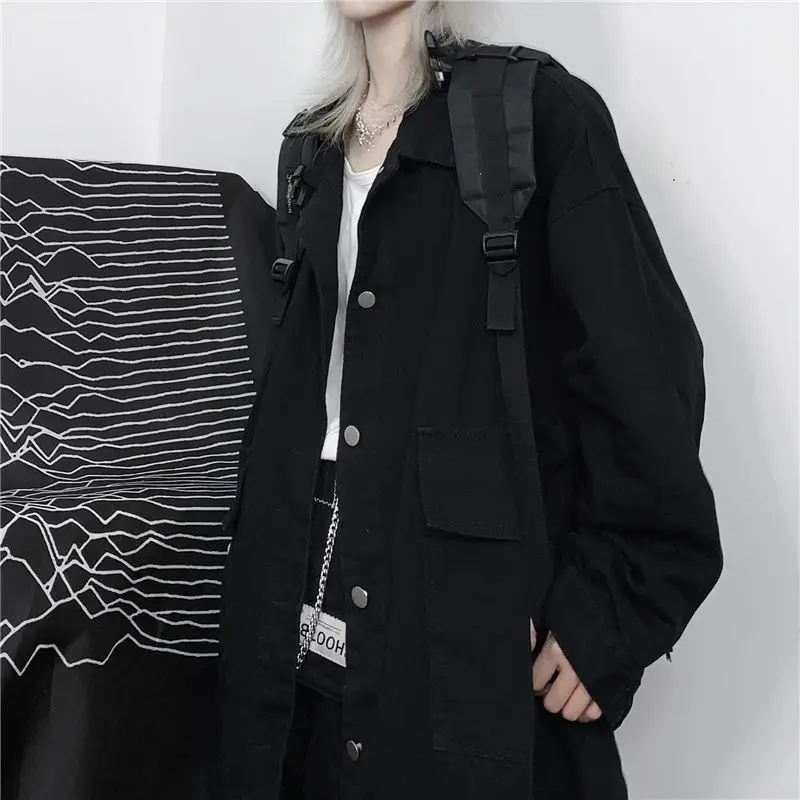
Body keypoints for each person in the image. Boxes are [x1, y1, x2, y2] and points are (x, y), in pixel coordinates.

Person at [210, 1, 723, 799]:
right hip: (284, 642)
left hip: (446, 640)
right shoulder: (309, 149)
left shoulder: (532, 116)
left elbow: (647, 377)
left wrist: (609, 617)